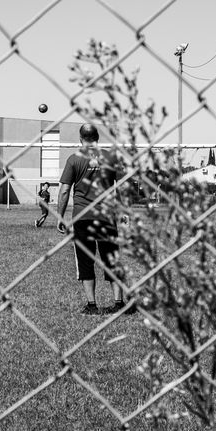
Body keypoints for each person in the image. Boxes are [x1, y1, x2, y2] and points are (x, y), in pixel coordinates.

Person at [56, 123, 125, 315]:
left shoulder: (74, 159)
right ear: (98, 137)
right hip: (106, 217)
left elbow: (64, 191)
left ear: (80, 138)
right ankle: (119, 303)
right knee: (111, 259)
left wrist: (60, 216)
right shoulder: (111, 158)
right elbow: (122, 187)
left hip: (82, 217)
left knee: (85, 260)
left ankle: (92, 305)